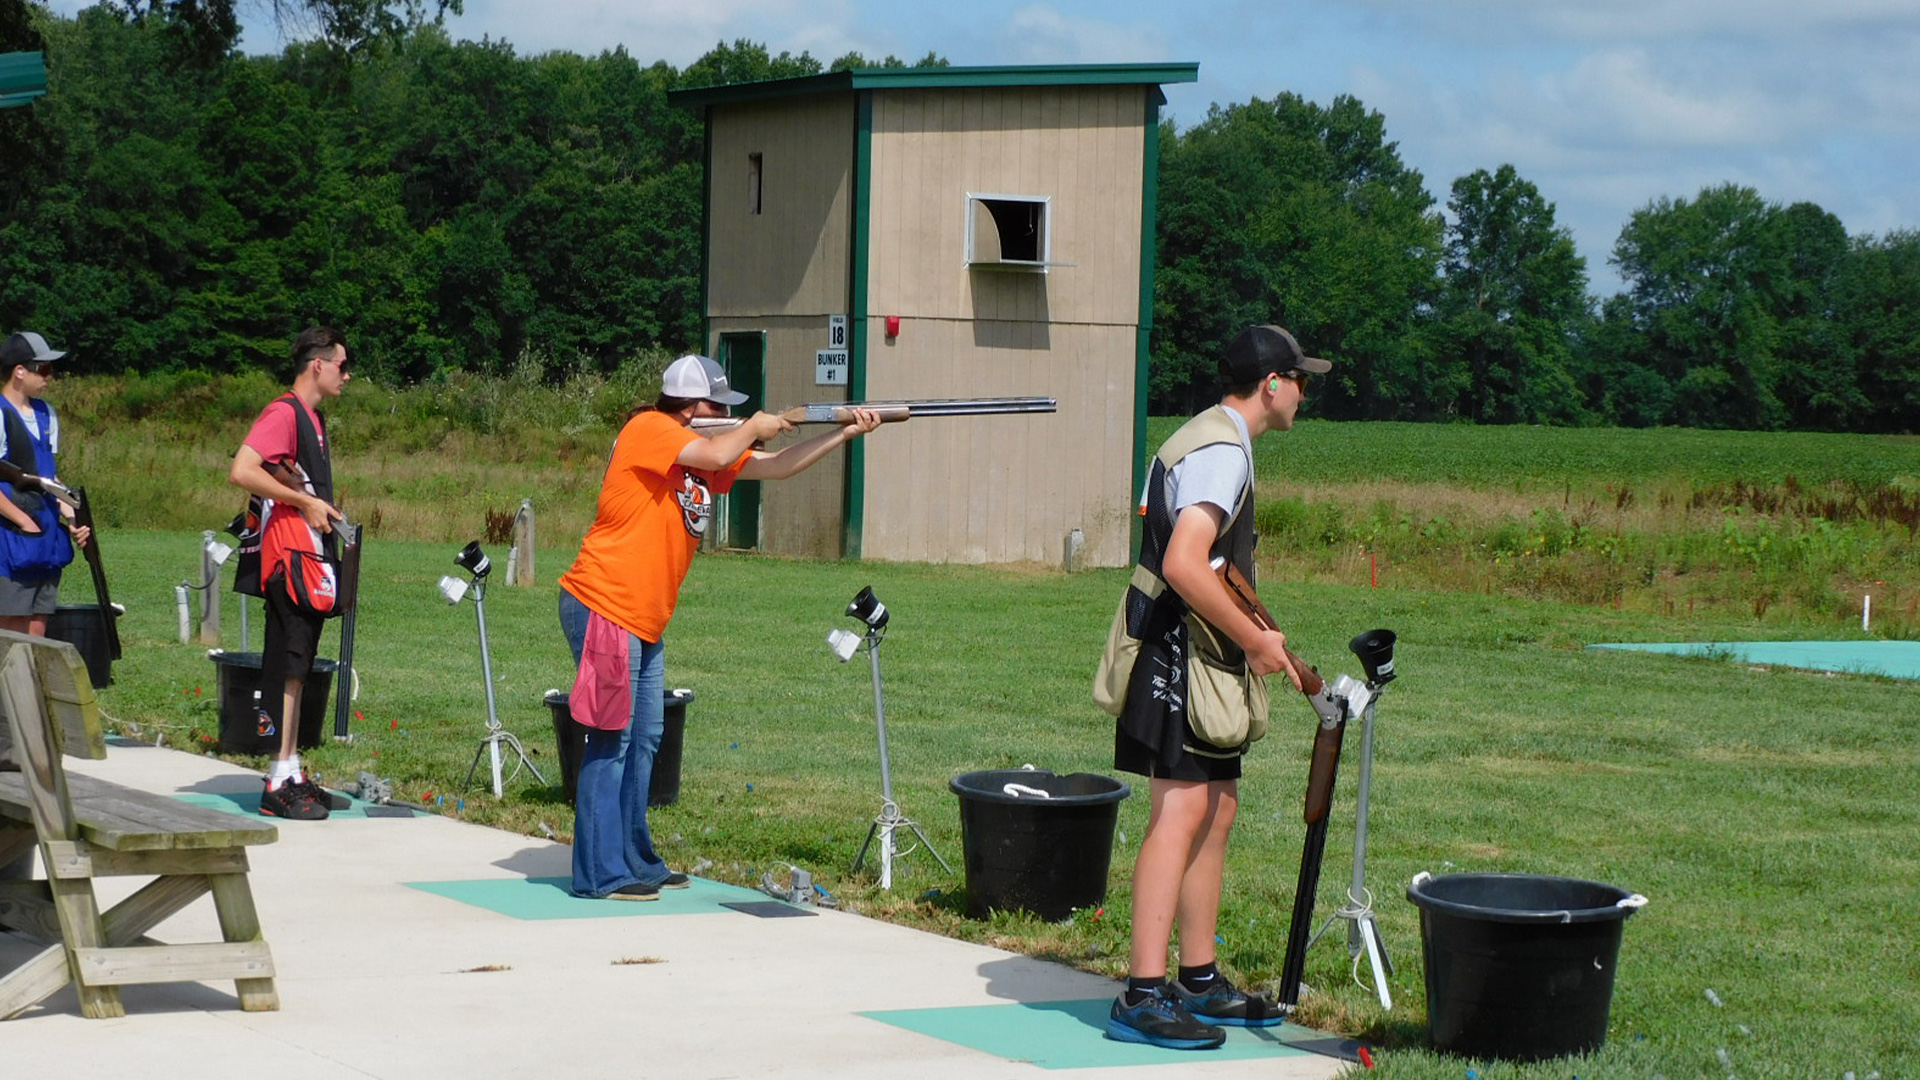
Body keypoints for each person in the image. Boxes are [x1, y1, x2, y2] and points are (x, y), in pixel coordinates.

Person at [557, 354, 883, 900]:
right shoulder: (650, 428)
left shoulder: (700, 454)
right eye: (717, 406)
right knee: (611, 739)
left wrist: (843, 434)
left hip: (642, 617)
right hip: (605, 604)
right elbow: (720, 447)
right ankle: (599, 874)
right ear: (689, 406)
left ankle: (635, 858)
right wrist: (755, 423)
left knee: (644, 740)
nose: (725, 415)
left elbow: (775, 466)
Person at [1093, 324, 1331, 1049]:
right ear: (1271, 385)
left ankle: (1196, 979)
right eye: (1300, 378)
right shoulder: (1222, 452)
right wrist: (1256, 639)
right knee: (1182, 810)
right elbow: (1188, 564)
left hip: (1196, 653)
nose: (1304, 392)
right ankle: (1141, 992)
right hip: (1177, 651)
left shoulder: (1212, 437)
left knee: (1215, 808)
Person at [228, 326, 352, 821]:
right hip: (288, 558)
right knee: (289, 663)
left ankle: (292, 768)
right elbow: (243, 469)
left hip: (307, 554)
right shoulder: (284, 413)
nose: (348, 375)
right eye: (342, 366)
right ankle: (279, 781)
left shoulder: (312, 420)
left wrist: (320, 507)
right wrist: (303, 501)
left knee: (299, 667)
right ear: (317, 365)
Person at [0, 331, 90, 637]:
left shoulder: (47, 414)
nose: (49, 377)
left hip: (47, 534)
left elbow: (49, 476)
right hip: (12, 536)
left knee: (39, 621)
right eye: (44, 369)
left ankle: (32, 685)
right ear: (19, 371)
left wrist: (73, 514)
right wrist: (23, 521)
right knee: (10, 623)